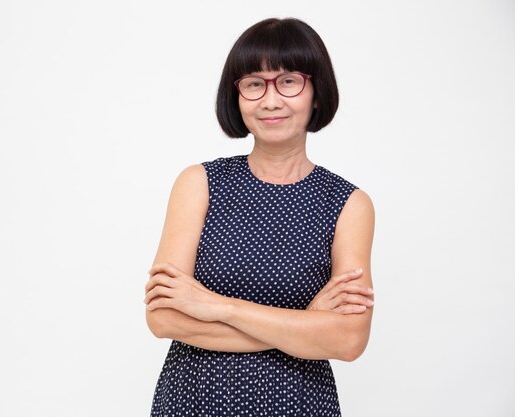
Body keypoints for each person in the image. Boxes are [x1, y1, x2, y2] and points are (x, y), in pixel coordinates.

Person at [143, 17, 375, 416]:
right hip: (195, 401)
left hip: (298, 404)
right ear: (236, 96)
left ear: (317, 92)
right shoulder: (199, 184)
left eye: (288, 81)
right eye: (254, 83)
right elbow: (163, 317)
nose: (270, 100)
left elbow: (348, 340)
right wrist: (305, 325)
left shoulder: (349, 204)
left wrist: (217, 306)